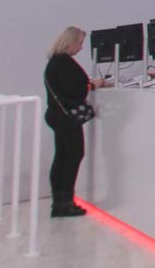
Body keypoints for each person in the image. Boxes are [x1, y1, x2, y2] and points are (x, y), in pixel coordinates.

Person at [43, 26, 107, 218]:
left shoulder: (54, 62)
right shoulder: (64, 63)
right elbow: (75, 90)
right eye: (79, 43)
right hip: (66, 119)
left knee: (62, 157)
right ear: (70, 43)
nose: (81, 48)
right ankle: (66, 203)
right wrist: (92, 85)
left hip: (56, 115)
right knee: (74, 155)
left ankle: (59, 202)